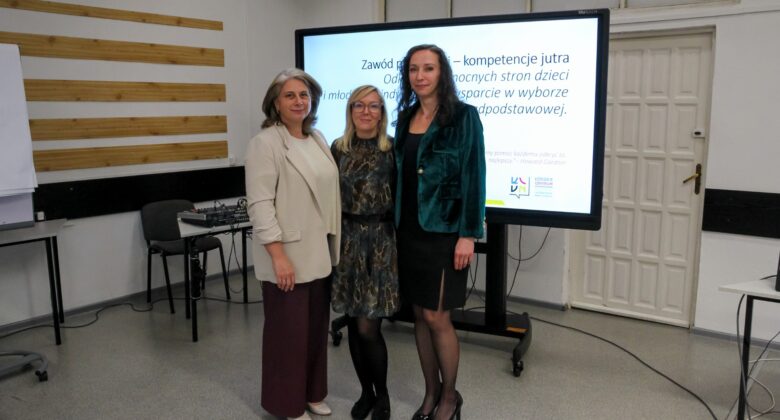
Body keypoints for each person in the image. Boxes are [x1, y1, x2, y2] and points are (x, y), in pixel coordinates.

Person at [393, 44, 486, 420]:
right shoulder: (405, 117)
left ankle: (450, 397)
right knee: (419, 315)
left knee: (437, 317)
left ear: (442, 73)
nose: (420, 76)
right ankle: (430, 392)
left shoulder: (464, 116)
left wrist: (469, 234)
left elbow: (475, 175)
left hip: (445, 233)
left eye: (428, 68)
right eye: (414, 69)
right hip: (408, 232)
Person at [245, 68, 340, 420]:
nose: (298, 101)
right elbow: (260, 204)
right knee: (288, 335)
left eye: (304, 95)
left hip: (318, 251)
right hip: (287, 254)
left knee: (315, 330)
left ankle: (313, 393)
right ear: (275, 103)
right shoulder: (265, 143)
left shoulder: (316, 138)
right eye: (290, 95)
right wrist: (278, 255)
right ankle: (286, 404)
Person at [330, 85, 399, 420]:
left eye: (374, 105)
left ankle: (382, 395)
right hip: (347, 242)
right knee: (355, 324)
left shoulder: (392, 149)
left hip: (381, 244)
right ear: (350, 110)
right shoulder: (337, 149)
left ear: (382, 112)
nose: (366, 111)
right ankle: (365, 393)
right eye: (359, 105)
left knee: (369, 327)